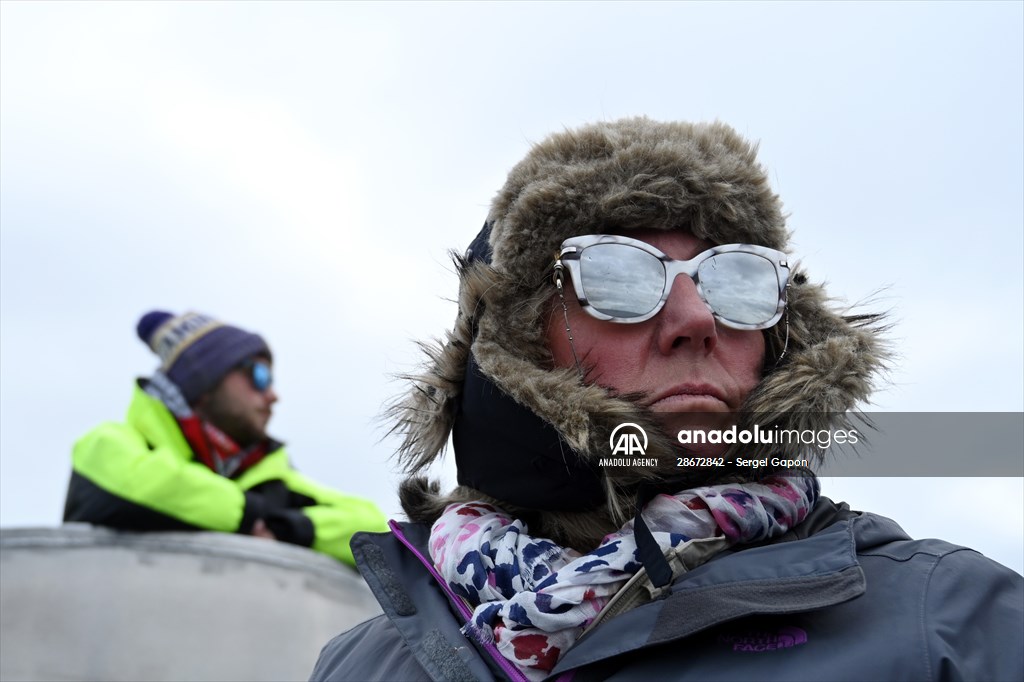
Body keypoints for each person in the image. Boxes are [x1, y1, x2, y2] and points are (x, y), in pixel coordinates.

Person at [309, 119, 1023, 680]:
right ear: (514, 346)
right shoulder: (364, 666)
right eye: (619, 277)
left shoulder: (953, 622)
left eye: (736, 279)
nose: (698, 320)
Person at [64, 310, 387, 566]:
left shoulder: (272, 480)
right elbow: (141, 481)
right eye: (260, 376)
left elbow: (372, 526)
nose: (273, 395)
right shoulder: (110, 442)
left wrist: (286, 528)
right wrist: (252, 517)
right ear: (205, 382)